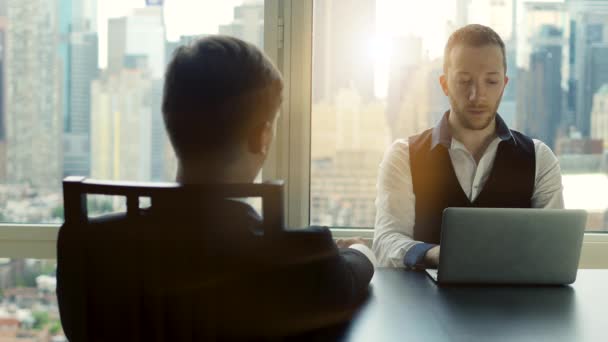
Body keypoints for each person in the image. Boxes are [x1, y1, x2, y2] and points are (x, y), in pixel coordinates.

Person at [162, 35, 375, 336]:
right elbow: (354, 273)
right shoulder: (300, 258)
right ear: (262, 136)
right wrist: (356, 249)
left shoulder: (90, 244)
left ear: (170, 123)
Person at [372, 24, 564, 268]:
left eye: (491, 81)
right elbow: (386, 242)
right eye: (464, 81)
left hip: (513, 304)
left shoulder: (539, 159)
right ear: (444, 84)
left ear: (504, 84)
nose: (477, 95)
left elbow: (554, 248)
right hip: (424, 303)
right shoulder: (403, 156)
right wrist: (436, 254)